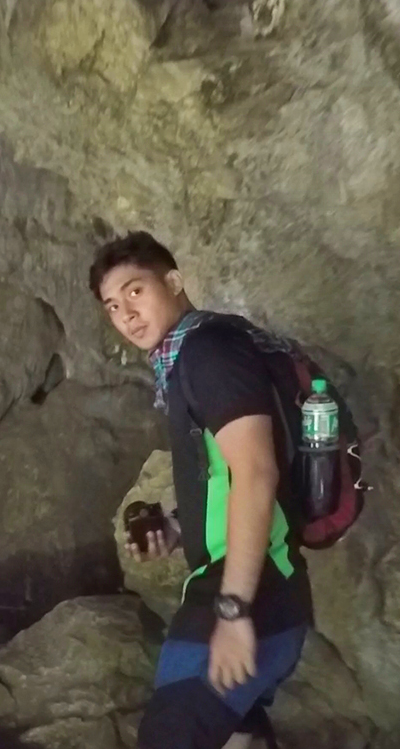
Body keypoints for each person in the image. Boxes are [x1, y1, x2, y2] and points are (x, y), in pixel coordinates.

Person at [91, 231, 311, 749]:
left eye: (136, 291)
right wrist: (174, 527)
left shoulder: (208, 352)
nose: (126, 314)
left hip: (249, 590)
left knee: (172, 736)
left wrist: (232, 611)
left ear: (173, 281)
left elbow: (256, 473)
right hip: (260, 588)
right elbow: (224, 477)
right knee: (234, 733)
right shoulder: (188, 360)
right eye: (113, 306)